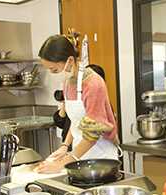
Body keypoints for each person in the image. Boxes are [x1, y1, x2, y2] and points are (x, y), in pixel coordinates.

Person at [36, 29, 119, 174]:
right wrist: (64, 146)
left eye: (54, 69)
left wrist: (61, 165)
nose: (53, 74)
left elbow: (92, 136)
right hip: (78, 154)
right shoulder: (68, 81)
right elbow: (75, 121)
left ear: (70, 60)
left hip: (100, 156)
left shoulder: (93, 84)